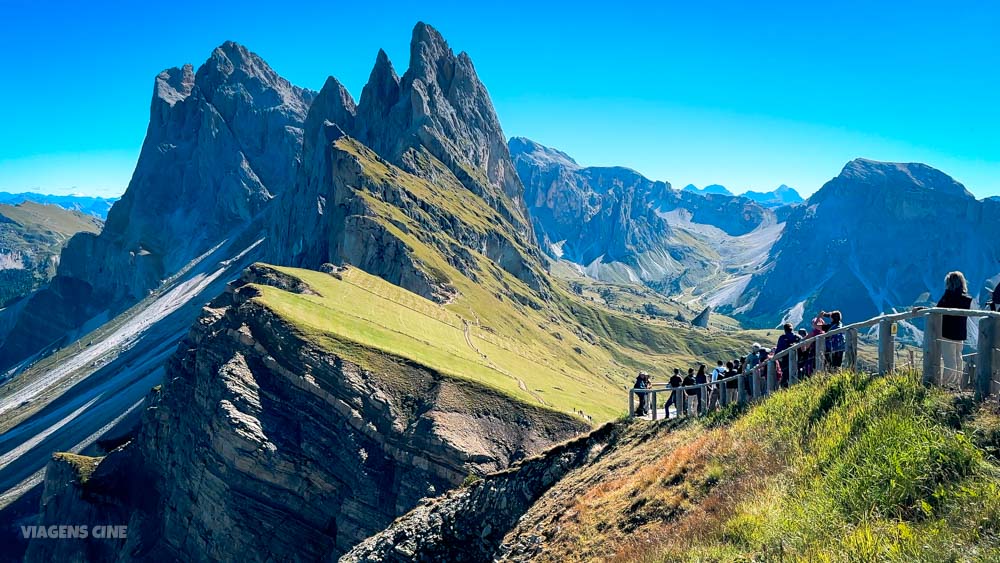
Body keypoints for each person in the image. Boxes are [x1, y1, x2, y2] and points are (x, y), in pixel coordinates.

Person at [937, 271, 973, 387]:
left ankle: (947, 385)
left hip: (947, 332)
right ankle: (957, 384)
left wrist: (947, 292)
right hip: (959, 332)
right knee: (958, 358)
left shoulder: (948, 297)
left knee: (949, 360)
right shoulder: (965, 299)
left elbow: (938, 309)